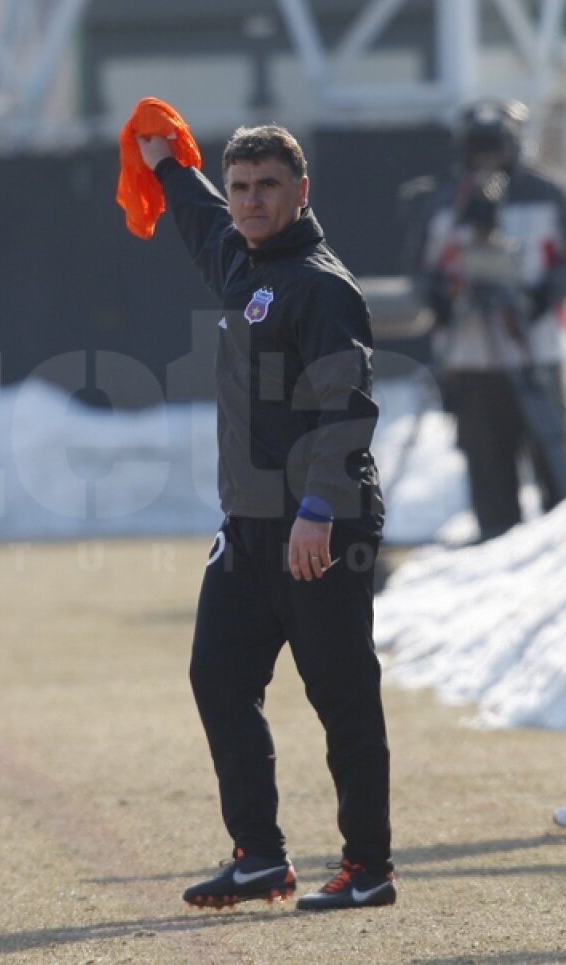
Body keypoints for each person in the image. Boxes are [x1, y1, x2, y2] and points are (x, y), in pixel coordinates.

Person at [132, 115, 395, 910]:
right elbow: (206, 222)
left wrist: (318, 508)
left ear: (301, 192)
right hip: (248, 528)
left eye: (266, 186)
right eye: (240, 186)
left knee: (341, 695)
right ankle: (259, 855)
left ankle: (369, 868)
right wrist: (168, 166)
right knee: (217, 675)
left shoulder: (320, 284)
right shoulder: (247, 268)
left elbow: (347, 409)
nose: (248, 201)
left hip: (321, 526)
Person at [405, 97, 566, 541]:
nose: (486, 159)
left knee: (554, 463)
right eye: (478, 148)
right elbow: (422, 270)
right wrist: (447, 300)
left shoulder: (547, 195)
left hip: (535, 352)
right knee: (489, 470)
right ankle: (496, 541)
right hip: (470, 358)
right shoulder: (442, 201)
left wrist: (535, 300)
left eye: (494, 147)